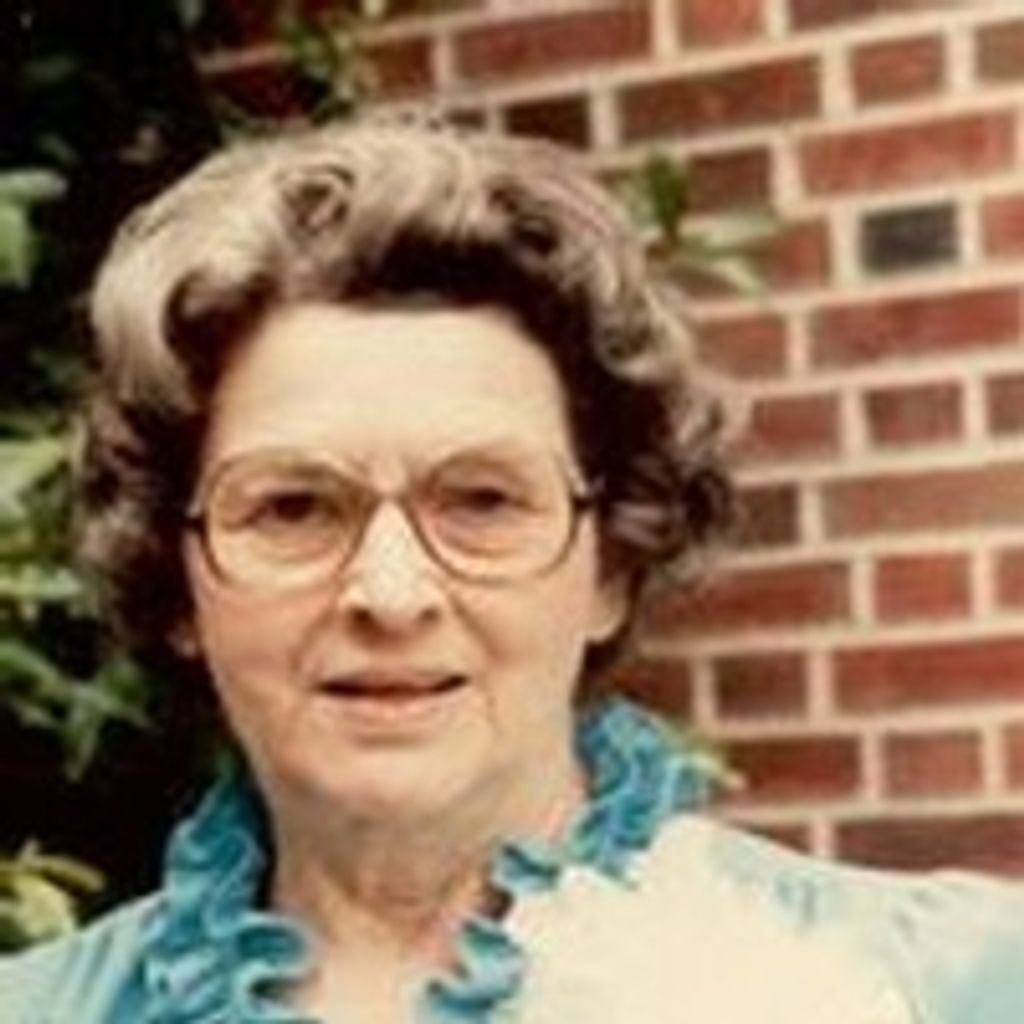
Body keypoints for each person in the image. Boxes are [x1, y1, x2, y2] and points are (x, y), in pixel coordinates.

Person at [2, 117, 1023, 1024]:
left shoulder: (948, 989)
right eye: (293, 507)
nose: (390, 594)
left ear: (612, 561)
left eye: (482, 500)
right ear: (176, 577)